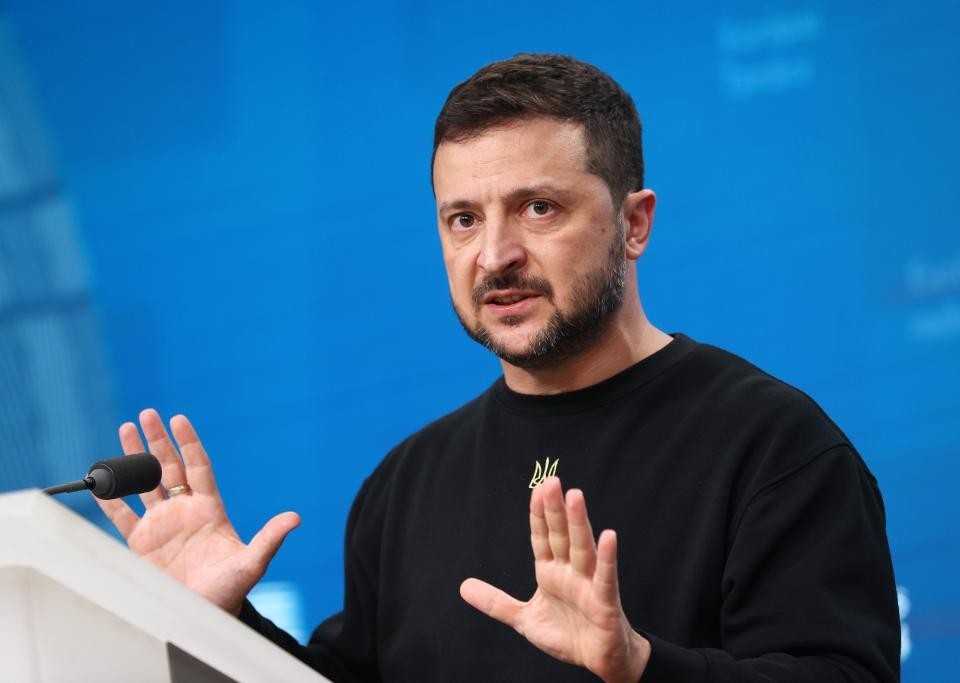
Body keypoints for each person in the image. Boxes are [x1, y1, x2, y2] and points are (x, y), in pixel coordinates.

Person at [96, 54, 901, 682]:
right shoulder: (403, 485)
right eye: (462, 219)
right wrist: (219, 620)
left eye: (537, 208)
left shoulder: (774, 447)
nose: (494, 255)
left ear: (635, 223)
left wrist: (641, 667)